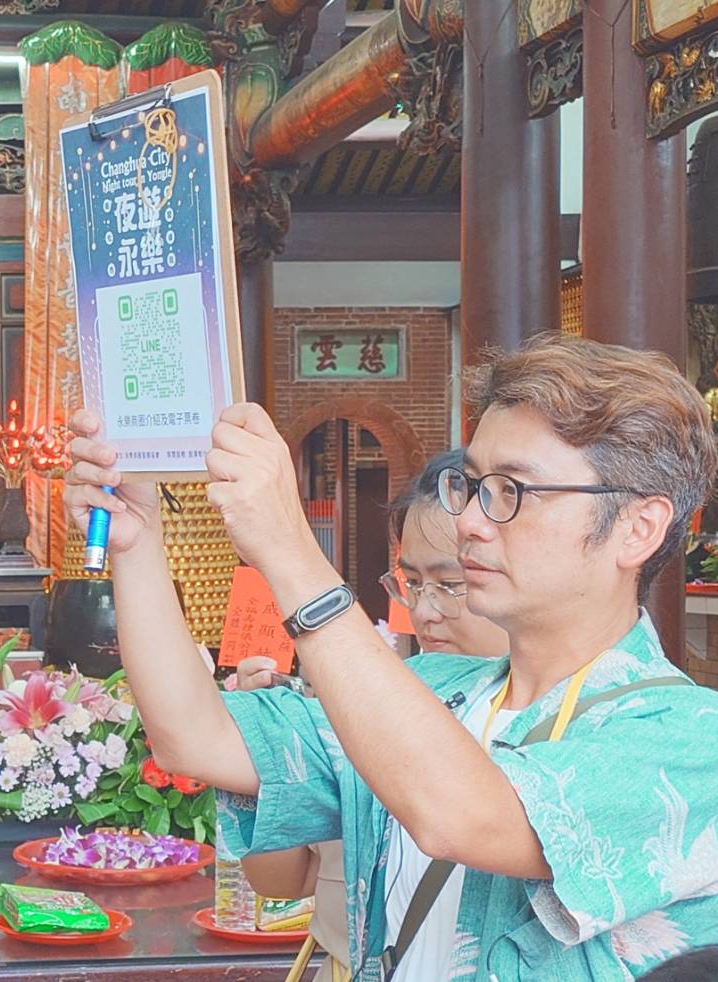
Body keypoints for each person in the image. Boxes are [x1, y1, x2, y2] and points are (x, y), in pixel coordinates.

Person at [64, 334, 718, 979]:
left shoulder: (688, 740)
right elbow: (195, 738)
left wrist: (291, 553)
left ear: (637, 528)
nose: (469, 520)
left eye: (512, 490)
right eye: (472, 485)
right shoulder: (432, 686)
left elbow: (460, 813)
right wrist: (136, 544)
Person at [232, 449, 511, 981]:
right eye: (412, 583)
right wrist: (266, 759)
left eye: (451, 584)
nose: (427, 611)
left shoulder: (558, 727)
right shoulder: (364, 703)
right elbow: (283, 878)